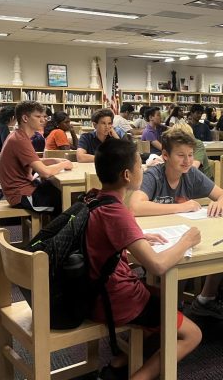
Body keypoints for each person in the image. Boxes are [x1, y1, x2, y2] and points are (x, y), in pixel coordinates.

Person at [87, 138, 201, 380]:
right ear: (128, 175)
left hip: (93, 289)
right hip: (116, 299)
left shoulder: (94, 198)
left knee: (169, 299)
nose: (145, 168)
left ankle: (122, 359)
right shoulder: (118, 213)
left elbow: (108, 235)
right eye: (141, 165)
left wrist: (137, 237)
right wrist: (186, 241)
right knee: (193, 334)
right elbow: (158, 266)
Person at [128, 130, 223, 320]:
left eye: (190, 155)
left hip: (182, 235)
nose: (187, 160)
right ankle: (171, 311)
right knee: (175, 262)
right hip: (158, 240)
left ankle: (205, 299)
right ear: (165, 156)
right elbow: (135, 206)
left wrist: (220, 204)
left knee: (221, 246)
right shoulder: (154, 175)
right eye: (180, 155)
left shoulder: (192, 174)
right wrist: (181, 207)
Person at [0, 101, 73, 216]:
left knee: (62, 193)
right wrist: (64, 164)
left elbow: (33, 161)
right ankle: (55, 233)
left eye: (44, 117)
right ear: (25, 118)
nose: (43, 120)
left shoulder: (19, 135)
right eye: (38, 117)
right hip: (21, 195)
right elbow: (45, 173)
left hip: (24, 189)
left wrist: (55, 160)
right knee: (67, 201)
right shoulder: (20, 140)